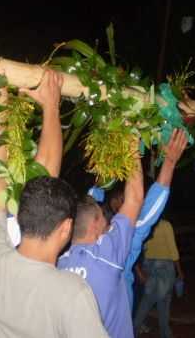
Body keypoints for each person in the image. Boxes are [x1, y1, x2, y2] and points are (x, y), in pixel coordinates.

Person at [0, 70, 108, 338]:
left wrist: (3, 106)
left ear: (20, 216)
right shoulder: (71, 293)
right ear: (66, 228)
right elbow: (0, 186)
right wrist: (40, 105)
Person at [87, 129, 188, 310]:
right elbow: (143, 212)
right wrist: (170, 162)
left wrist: (107, 162)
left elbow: (89, 203)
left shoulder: (66, 250)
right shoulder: (115, 250)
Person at [58, 137, 144, 338]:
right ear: (95, 224)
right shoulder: (106, 256)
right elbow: (135, 199)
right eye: (103, 218)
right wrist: (131, 144)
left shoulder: (56, 262)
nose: (108, 221)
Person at [133, 217, 183, 338]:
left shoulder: (145, 224)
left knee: (147, 300)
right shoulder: (165, 225)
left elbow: (141, 247)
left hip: (148, 265)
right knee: (163, 302)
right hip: (164, 267)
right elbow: (173, 250)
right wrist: (179, 271)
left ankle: (134, 329)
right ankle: (165, 334)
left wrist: (140, 270)